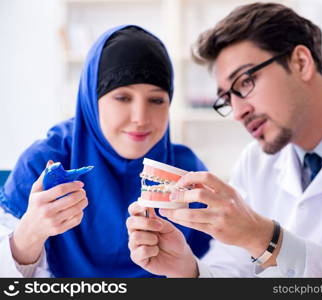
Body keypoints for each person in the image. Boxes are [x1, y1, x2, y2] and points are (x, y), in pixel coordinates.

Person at [126, 2, 322, 277]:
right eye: (227, 99)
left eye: (245, 83)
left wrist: (264, 238)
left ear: (301, 62)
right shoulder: (256, 161)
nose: (239, 112)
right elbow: (233, 272)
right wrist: (188, 271)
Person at [0, 25, 211, 277]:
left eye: (156, 100)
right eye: (122, 98)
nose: (140, 118)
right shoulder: (45, 163)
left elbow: (226, 271)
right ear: (92, 99)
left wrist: (188, 270)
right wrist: (27, 237)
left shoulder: (187, 172)